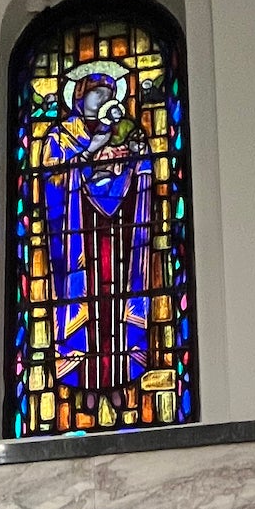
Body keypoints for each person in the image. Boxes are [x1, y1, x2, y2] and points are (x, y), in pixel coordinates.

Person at [39, 64, 155, 419]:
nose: (103, 98)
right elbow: (52, 179)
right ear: (79, 95)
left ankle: (121, 379)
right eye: (96, 91)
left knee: (116, 301)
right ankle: (83, 385)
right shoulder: (60, 135)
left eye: (108, 92)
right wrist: (91, 150)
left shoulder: (123, 130)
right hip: (78, 232)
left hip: (118, 227)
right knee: (85, 303)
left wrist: (135, 156)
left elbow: (144, 168)